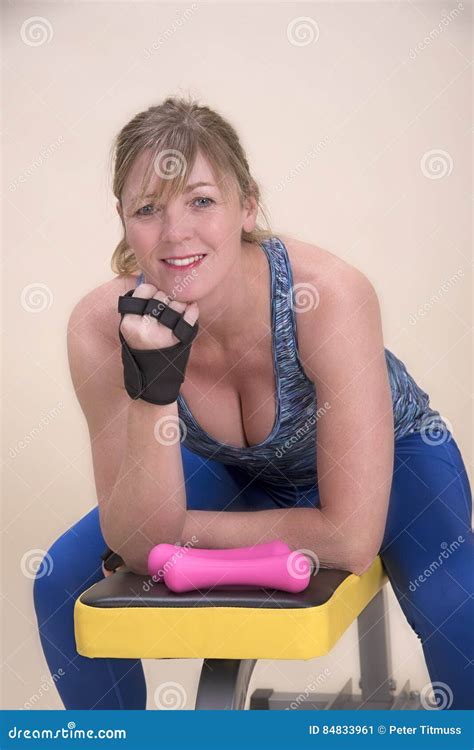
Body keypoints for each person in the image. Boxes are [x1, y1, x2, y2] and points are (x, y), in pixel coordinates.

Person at [33, 96, 473, 710]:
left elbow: (347, 539)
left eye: (202, 201)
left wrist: (178, 537)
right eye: (149, 208)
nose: (176, 231)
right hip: (238, 473)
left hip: (395, 461)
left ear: (248, 204)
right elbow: (136, 540)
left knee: (457, 605)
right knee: (59, 583)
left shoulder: (330, 296)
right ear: (123, 220)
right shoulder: (99, 328)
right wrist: (153, 385)